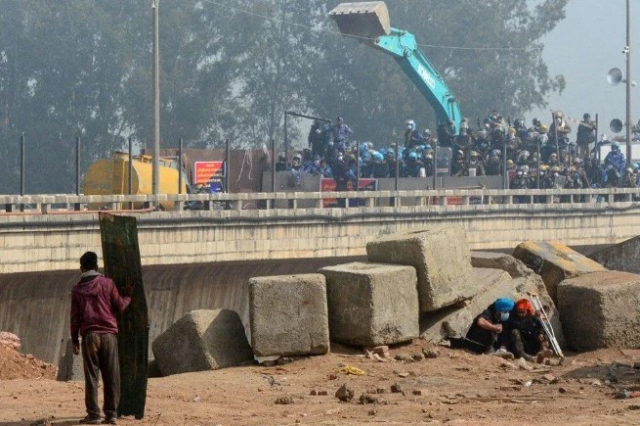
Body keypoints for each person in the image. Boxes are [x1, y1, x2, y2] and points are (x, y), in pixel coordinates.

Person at [71, 251, 133, 425]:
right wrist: (128, 295)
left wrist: (75, 340)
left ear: (81, 268)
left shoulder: (77, 290)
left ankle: (93, 415)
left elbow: (74, 318)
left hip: (90, 336)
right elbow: (120, 306)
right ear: (97, 267)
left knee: (92, 376)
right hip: (108, 335)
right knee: (112, 375)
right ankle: (111, 414)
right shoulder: (108, 283)